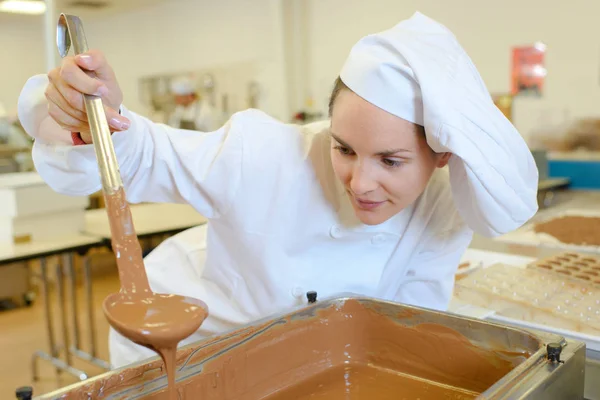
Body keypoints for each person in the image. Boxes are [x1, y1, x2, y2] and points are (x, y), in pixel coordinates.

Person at [17, 11, 538, 368]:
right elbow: (148, 154)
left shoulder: (444, 206)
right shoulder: (263, 154)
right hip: (189, 342)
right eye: (344, 149)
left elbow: (407, 324)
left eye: (391, 160)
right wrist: (94, 117)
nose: (361, 182)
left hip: (310, 362)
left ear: (441, 155)